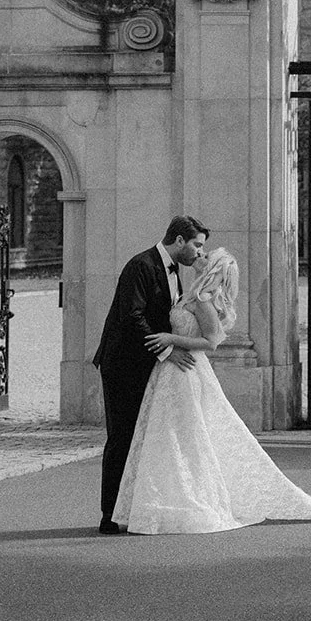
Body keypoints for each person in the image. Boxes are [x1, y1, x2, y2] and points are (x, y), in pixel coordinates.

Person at [113, 247, 311, 534]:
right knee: (168, 437)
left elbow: (211, 342)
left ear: (211, 269)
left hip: (186, 371)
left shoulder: (203, 301)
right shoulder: (190, 294)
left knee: (184, 437)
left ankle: (185, 502)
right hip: (171, 371)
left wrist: (171, 338)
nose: (200, 255)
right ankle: (159, 503)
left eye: (205, 256)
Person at [92, 214, 209, 534]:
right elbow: (132, 317)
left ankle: (135, 508)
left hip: (148, 366)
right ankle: (109, 514)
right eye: (197, 245)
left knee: (146, 437)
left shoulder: (176, 272)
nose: (199, 252)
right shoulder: (141, 266)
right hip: (123, 364)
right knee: (122, 436)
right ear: (180, 240)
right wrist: (169, 351)